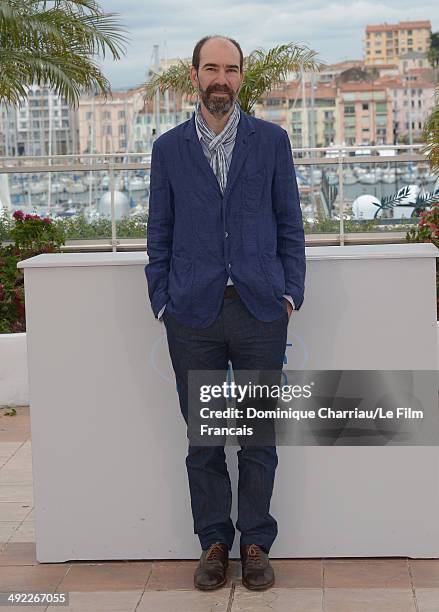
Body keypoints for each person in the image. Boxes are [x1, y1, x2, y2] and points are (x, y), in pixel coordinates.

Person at [145, 34, 306, 591]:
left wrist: (291, 293)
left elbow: (290, 223)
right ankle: (214, 543)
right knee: (204, 440)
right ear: (194, 75)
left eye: (230, 69)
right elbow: (158, 231)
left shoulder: (272, 142)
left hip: (261, 310)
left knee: (258, 436)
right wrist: (161, 298)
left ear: (241, 77)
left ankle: (256, 543)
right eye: (210, 68)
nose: (221, 78)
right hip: (192, 314)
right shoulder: (168, 149)